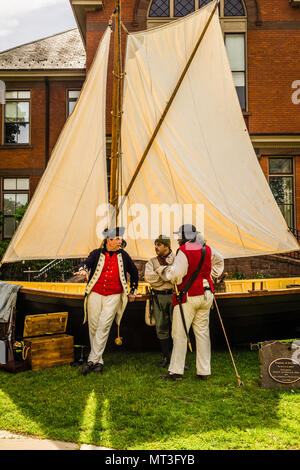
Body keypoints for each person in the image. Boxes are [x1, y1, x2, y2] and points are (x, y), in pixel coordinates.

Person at [156, 224, 224, 381]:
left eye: (180, 235)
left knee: (179, 333)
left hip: (189, 295)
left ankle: (176, 371)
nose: (178, 238)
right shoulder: (207, 248)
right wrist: (211, 276)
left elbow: (177, 275)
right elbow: (220, 261)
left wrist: (170, 276)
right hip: (207, 294)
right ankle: (204, 371)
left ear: (185, 236)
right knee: (202, 333)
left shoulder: (184, 251)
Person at [74, 227, 138, 375]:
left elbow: (134, 272)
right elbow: (86, 264)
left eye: (120, 239)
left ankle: (91, 360)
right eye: (117, 238)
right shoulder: (96, 254)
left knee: (104, 325)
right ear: (108, 240)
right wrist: (83, 270)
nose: (120, 241)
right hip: (95, 294)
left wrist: (133, 291)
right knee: (94, 326)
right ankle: (99, 361)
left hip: (114, 295)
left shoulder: (124, 255)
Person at [144, 235, 175, 367]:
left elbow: (178, 275)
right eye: (155, 244)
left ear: (166, 246)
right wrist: (167, 275)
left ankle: (178, 359)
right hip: (158, 297)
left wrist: (160, 273)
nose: (156, 247)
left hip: (175, 296)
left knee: (178, 328)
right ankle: (166, 357)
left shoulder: (178, 259)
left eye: (159, 245)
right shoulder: (151, 262)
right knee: (161, 327)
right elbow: (149, 277)